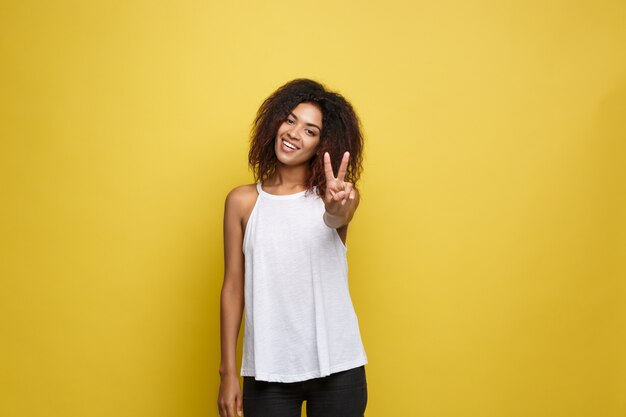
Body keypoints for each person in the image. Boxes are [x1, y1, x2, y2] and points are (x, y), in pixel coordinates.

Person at [218, 78, 368, 417]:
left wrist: (337, 205)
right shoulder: (242, 202)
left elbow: (337, 215)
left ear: (322, 145)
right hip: (269, 370)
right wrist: (228, 373)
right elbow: (232, 288)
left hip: (339, 367)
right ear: (275, 123)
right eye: (290, 120)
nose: (294, 133)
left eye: (310, 131)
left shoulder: (338, 195)